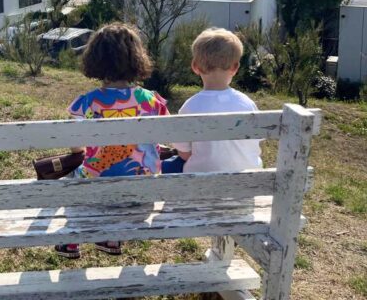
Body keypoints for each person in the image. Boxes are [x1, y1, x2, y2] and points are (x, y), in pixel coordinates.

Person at [56, 22, 169, 259]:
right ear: (137, 59)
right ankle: (110, 239)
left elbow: (76, 145)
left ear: (95, 60)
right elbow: (167, 137)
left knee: (74, 174)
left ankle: (71, 238)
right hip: (143, 193)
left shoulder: (88, 102)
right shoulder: (152, 101)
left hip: (97, 191)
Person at [169, 27, 262, 173]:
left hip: (201, 187)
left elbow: (184, 153)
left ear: (195, 66)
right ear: (235, 67)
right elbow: (255, 143)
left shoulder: (190, 107)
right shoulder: (247, 103)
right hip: (246, 185)